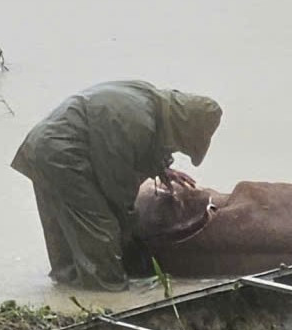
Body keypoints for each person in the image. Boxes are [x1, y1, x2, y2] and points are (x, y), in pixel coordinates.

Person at [11, 80, 222, 290]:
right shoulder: (138, 123)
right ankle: (107, 293)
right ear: (184, 128)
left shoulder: (149, 100)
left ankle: (66, 292)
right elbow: (115, 187)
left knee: (62, 238)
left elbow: (139, 146)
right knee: (101, 228)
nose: (176, 149)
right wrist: (129, 230)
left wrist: (160, 168)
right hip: (63, 155)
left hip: (43, 146)